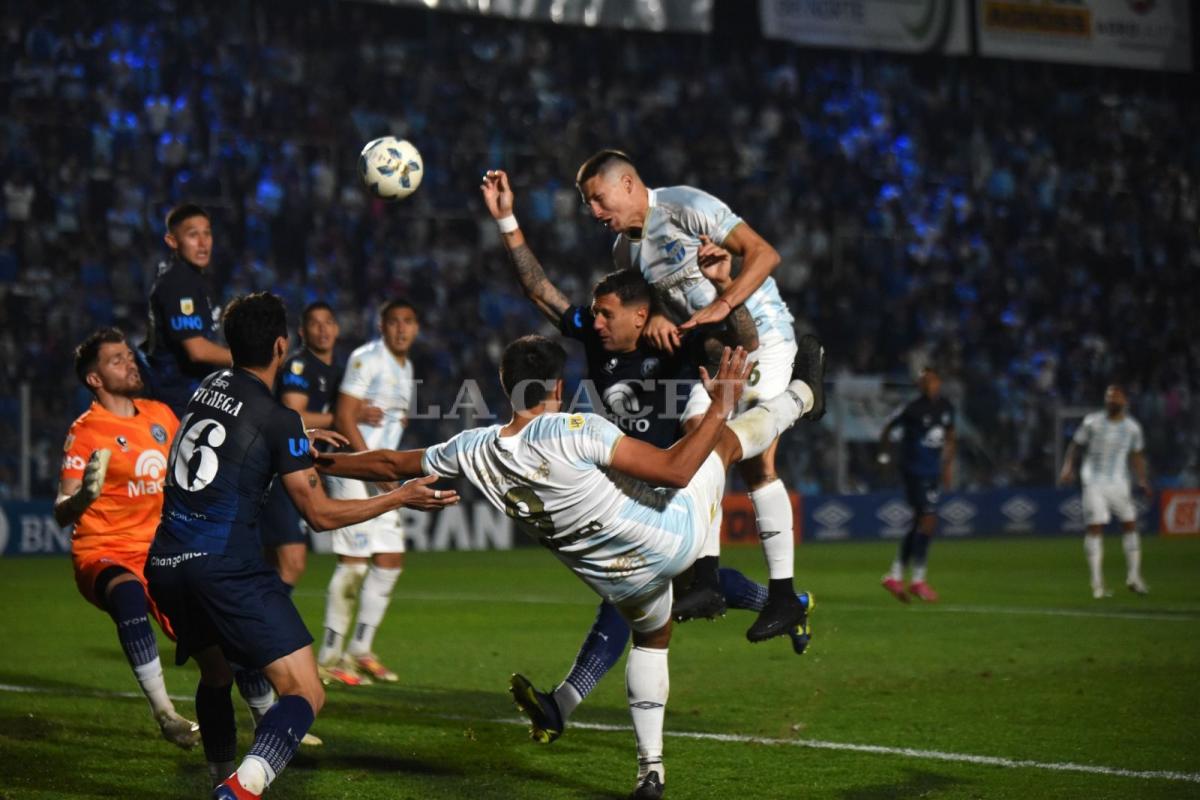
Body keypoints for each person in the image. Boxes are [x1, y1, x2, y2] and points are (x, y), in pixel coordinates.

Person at [316, 333, 825, 800]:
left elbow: (388, 464)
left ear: (504, 384)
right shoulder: (577, 429)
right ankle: (803, 394)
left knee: (651, 639)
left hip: (619, 580)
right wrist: (721, 405)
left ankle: (651, 769)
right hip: (674, 534)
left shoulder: (473, 450)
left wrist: (315, 459)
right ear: (558, 387)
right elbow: (675, 469)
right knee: (726, 440)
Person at [480, 170, 813, 747]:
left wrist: (719, 288)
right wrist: (507, 222)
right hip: (636, 483)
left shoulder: (679, 342)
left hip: (680, 480)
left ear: (640, 314)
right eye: (595, 312)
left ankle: (568, 704)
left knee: (637, 593)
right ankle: (785, 602)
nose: (595, 320)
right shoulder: (596, 336)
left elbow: (742, 342)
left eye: (607, 312)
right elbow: (541, 292)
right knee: (648, 594)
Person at [144, 291, 458, 799]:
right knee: (306, 690)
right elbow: (319, 514)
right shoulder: (279, 419)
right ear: (282, 345)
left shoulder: (207, 387)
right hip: (222, 566)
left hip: (165, 561)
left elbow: (235, 439)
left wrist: (299, 446)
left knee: (217, 674)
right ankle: (239, 790)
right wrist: (397, 497)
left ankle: (216, 778)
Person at [574, 150, 816, 641]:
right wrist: (659, 315)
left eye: (598, 199)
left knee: (750, 461)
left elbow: (765, 252)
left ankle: (805, 393)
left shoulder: (684, 206)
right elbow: (653, 307)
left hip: (763, 337)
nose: (594, 212)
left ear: (626, 184)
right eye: (587, 204)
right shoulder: (626, 254)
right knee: (697, 440)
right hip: (715, 353)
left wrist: (724, 298)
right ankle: (716, 580)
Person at [55, 327, 199, 750]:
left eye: (128, 356)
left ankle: (270, 719)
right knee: (128, 595)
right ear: (94, 379)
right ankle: (165, 713)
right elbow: (62, 511)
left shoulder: (160, 416)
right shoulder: (86, 432)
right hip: (102, 549)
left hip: (159, 551)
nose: (129, 362)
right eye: (115, 360)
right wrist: (83, 496)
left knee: (210, 625)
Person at [316, 299, 420, 686]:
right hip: (354, 469)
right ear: (381, 325)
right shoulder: (366, 358)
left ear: (417, 328)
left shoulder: (405, 367)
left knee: (390, 559)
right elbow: (344, 416)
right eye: (394, 322)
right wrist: (372, 465)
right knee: (354, 565)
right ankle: (329, 658)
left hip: (378, 473)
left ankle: (360, 650)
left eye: (408, 322)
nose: (401, 329)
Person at [260, 301, 346, 590]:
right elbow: (292, 410)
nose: (322, 330)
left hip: (299, 466)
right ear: (302, 331)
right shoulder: (299, 365)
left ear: (337, 328)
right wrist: (343, 418)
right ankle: (269, 627)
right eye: (315, 324)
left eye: (328, 322)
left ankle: (250, 628)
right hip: (280, 469)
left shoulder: (338, 369)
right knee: (293, 560)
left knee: (272, 563)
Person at [1058, 385, 1151, 598]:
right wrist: (1067, 466)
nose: (1111, 400)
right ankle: (1098, 584)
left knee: (1130, 524)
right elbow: (1075, 444)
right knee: (1095, 527)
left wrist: (1143, 480)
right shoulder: (1092, 422)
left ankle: (1134, 577)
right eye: (1108, 397)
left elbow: (1136, 455)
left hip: (1119, 483)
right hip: (1094, 482)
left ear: (1124, 401)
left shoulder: (1132, 428)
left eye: (1116, 397)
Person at [142, 203, 233, 416]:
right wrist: (250, 359)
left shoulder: (194, 278)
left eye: (207, 234)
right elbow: (197, 350)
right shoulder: (178, 282)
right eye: (193, 235)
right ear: (172, 241)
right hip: (175, 405)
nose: (203, 243)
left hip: (191, 400)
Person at [877, 366, 956, 602]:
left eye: (933, 381)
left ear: (939, 382)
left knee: (922, 522)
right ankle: (917, 579)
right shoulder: (911, 409)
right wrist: (884, 456)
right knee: (928, 519)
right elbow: (888, 427)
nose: (930, 385)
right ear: (920, 385)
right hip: (914, 470)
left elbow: (951, 437)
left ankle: (897, 575)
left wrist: (947, 467)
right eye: (925, 382)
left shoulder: (946, 408)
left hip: (932, 471)